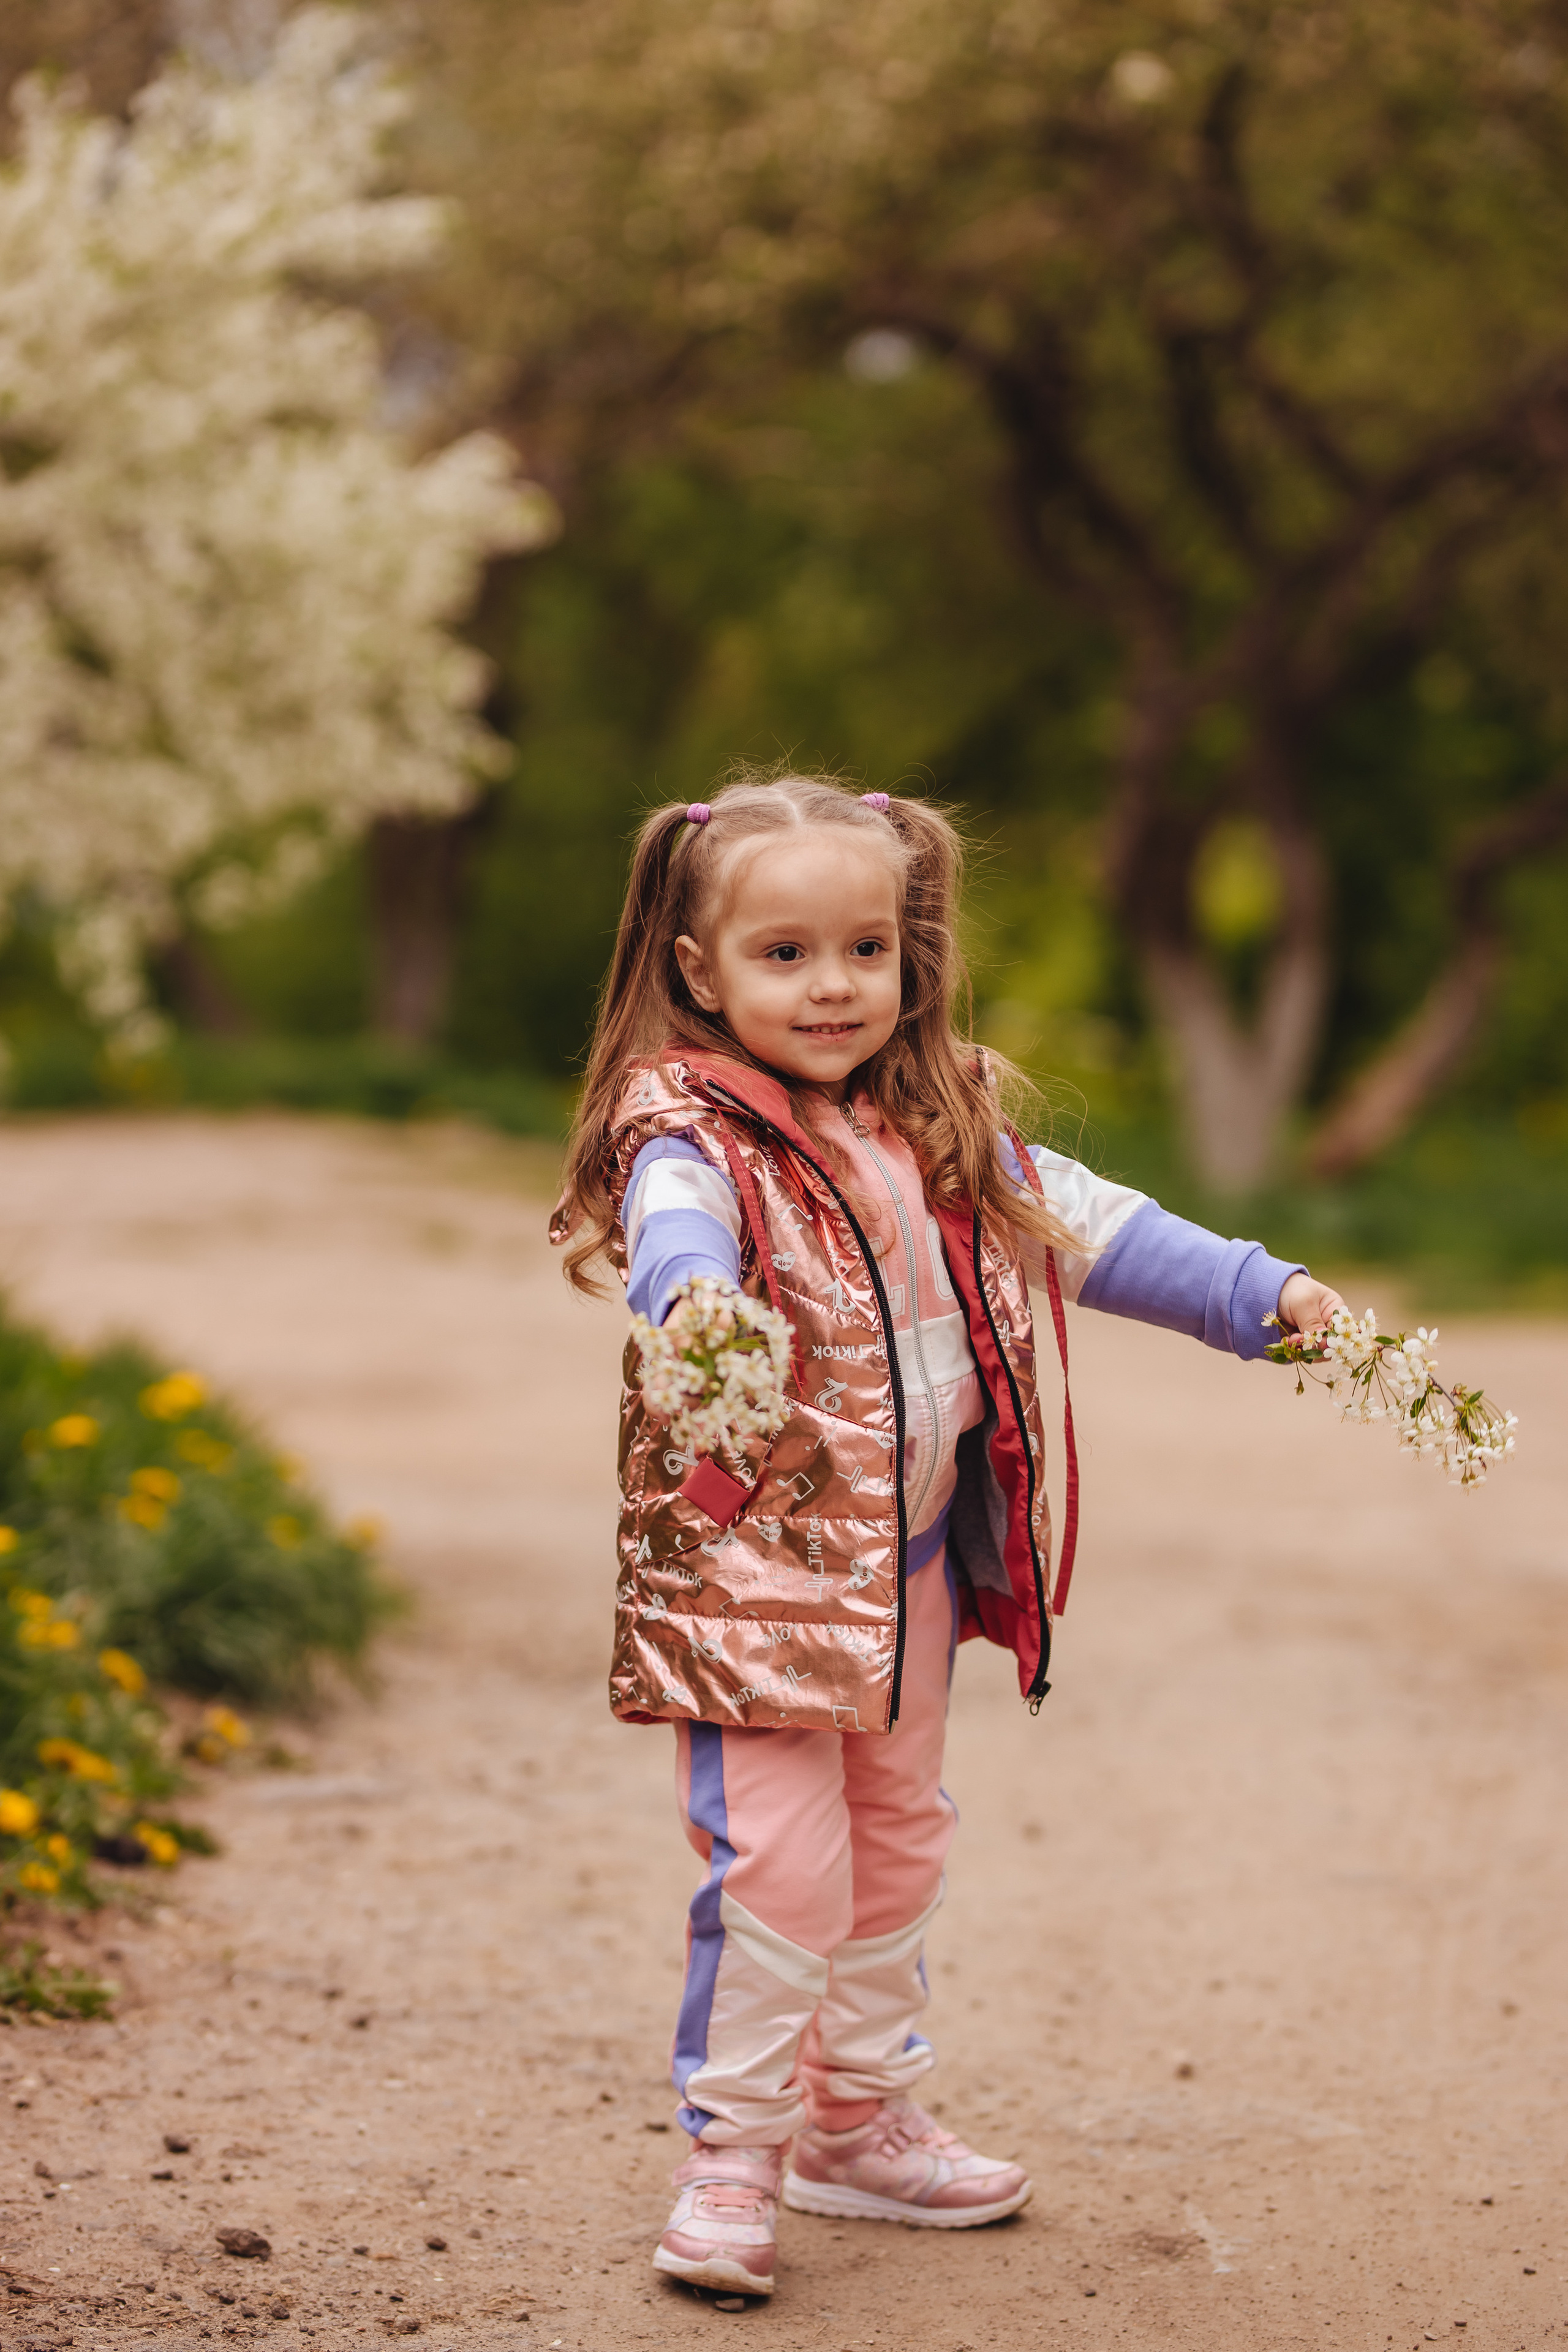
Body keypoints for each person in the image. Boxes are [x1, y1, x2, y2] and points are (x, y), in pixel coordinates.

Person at [551, 771, 1344, 2301]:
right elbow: (675, 1245)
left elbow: (1092, 1223)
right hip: (760, 1586)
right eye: (783, 955)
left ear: (909, 954)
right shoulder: (691, 1138)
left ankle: (859, 2120)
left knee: (899, 1844)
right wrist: (700, 1316)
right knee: (777, 1865)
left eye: (866, 948)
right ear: (698, 970)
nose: (833, 985)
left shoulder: (935, 1117)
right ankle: (733, 2161)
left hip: (905, 1570)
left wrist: (1257, 1296)